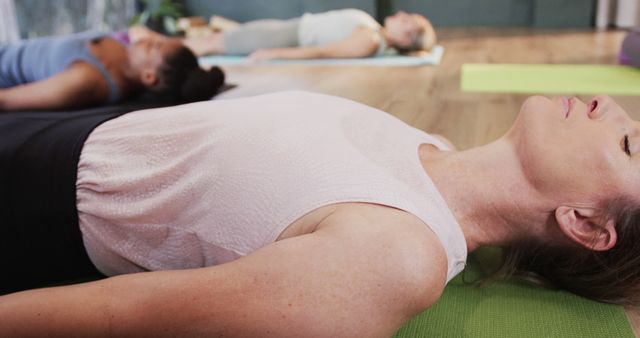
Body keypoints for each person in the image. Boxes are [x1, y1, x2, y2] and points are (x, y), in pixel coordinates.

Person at [0, 91, 639, 336]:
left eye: (628, 144)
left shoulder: (396, 255)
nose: (611, 105)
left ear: (584, 222)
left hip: (33, 203)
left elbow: (126, 315)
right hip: (78, 136)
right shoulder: (432, 151)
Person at [0, 26, 225, 111]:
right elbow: (137, 29)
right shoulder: (124, 52)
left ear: (149, 77)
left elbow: (6, 100)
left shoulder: (86, 81)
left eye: (155, 45)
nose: (149, 39)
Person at [184, 9, 437, 61]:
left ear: (405, 40)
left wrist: (276, 53)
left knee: (212, 43)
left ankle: (166, 55)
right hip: (289, 29)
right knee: (212, 41)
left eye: (407, 22)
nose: (401, 14)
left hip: (287, 38)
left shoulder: (369, 40)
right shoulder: (374, 31)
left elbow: (322, 51)